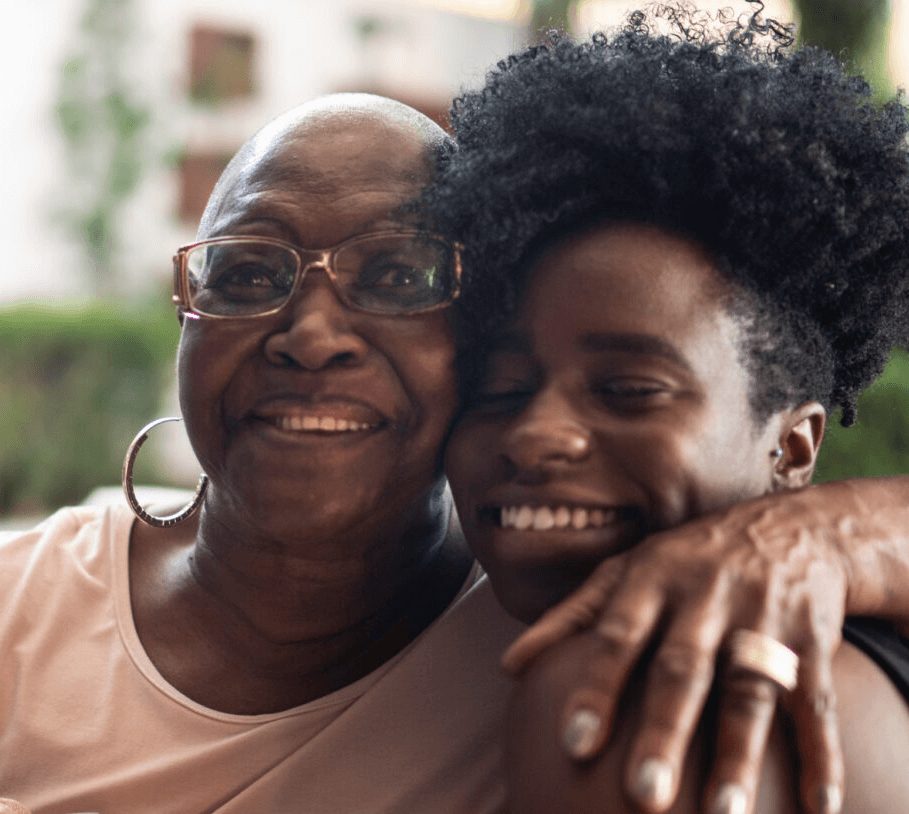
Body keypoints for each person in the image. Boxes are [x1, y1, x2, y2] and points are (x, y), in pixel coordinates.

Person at [0, 65, 908, 814]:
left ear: (459, 347)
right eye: (245, 272)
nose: (311, 334)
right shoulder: (25, 607)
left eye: (398, 273)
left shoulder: (604, 653)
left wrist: (831, 532)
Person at [421, 5, 909, 813]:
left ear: (791, 448)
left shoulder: (629, 695)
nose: (535, 434)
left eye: (628, 391)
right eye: (497, 390)